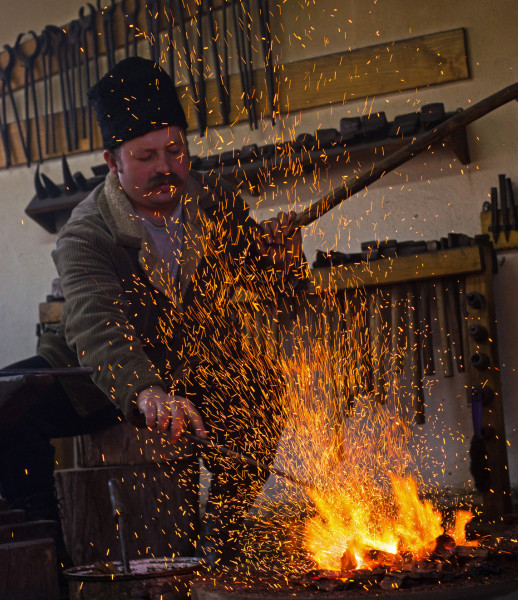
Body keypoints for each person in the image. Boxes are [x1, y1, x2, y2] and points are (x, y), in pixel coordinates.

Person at [0, 56, 305, 573]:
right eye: (146, 156)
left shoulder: (214, 203)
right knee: (6, 407)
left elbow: (265, 292)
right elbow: (98, 328)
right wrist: (146, 390)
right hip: (103, 378)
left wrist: (281, 263)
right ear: (112, 161)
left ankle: (221, 545)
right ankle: (51, 560)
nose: (166, 167)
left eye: (175, 150)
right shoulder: (86, 234)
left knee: (262, 389)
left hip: (193, 365)